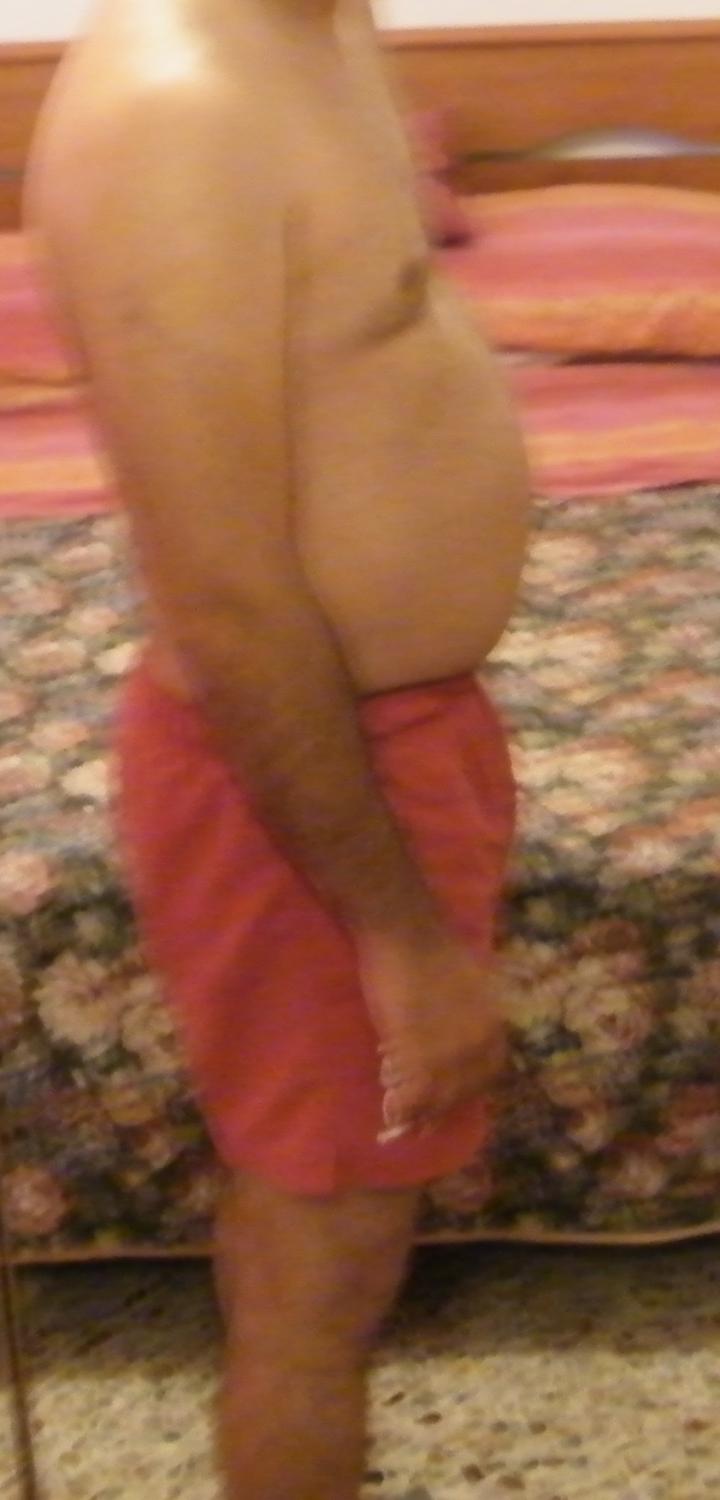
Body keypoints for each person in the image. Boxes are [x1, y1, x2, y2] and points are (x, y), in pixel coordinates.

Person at [26, 1, 530, 1495]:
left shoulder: (319, 28)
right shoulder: (176, 105)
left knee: (327, 1237)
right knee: (323, 1285)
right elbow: (226, 599)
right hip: (313, 778)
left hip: (408, 735)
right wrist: (398, 935)